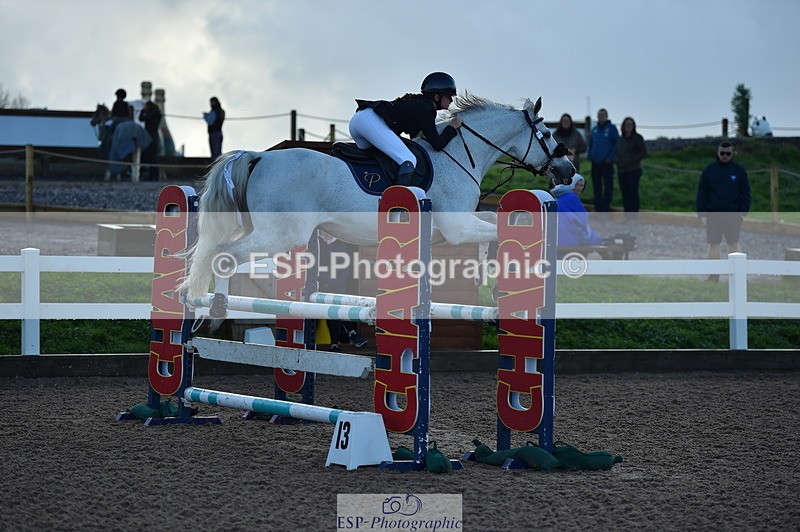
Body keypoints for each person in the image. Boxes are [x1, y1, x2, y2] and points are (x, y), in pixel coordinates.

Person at [349, 72, 463, 185]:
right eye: (449, 96)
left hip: (359, 121)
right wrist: (452, 126)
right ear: (437, 96)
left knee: (383, 158)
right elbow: (438, 144)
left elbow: (416, 140)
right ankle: (398, 195)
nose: (451, 100)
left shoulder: (420, 105)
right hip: (369, 121)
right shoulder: (426, 108)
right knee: (408, 159)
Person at [696, 141, 751, 281]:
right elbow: (702, 193)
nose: (725, 156)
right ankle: (714, 275)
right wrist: (702, 214)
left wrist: (743, 211)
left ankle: (738, 276)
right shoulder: (709, 170)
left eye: (728, 153)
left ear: (732, 154)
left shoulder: (739, 171)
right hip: (713, 213)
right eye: (722, 153)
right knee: (713, 243)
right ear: (718, 153)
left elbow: (745, 192)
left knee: (733, 243)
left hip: (732, 214)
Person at [550, 173, 602, 249]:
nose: (579, 188)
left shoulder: (558, 197)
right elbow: (582, 220)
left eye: (581, 185)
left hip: (556, 238)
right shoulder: (572, 198)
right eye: (576, 185)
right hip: (569, 240)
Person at [616, 116, 648, 223]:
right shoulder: (621, 139)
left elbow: (643, 152)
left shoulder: (638, 138)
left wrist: (630, 161)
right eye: (626, 124)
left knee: (632, 194)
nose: (628, 126)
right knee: (625, 194)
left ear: (633, 126)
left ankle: (634, 218)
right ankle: (627, 217)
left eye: (630, 124)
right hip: (622, 170)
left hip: (633, 170)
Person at [586, 108, 619, 212]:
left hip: (607, 162)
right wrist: (590, 155)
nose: (601, 117)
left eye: (603, 115)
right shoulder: (595, 129)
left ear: (606, 116)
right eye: (599, 115)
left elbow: (616, 144)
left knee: (608, 185)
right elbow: (591, 143)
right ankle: (598, 206)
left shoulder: (612, 128)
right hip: (595, 162)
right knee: (597, 185)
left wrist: (610, 158)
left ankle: (606, 206)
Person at [138, 101, 162, 180]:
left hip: (149, 137)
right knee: (153, 157)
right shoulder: (157, 114)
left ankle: (149, 175)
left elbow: (141, 118)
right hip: (155, 137)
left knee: (148, 156)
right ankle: (154, 175)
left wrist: (143, 111)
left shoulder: (149, 114)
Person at [203, 96, 225, 161]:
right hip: (219, 133)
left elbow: (210, 121)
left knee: (215, 152)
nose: (210, 104)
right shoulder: (221, 111)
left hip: (214, 133)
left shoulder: (215, 111)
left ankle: (216, 163)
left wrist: (205, 116)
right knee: (218, 151)